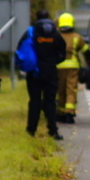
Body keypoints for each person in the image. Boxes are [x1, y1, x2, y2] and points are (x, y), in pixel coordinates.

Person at [19, 9, 67, 140]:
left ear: (36, 18)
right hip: (50, 72)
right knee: (50, 101)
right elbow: (62, 52)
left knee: (35, 101)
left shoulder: (31, 32)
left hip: (34, 71)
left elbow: (21, 50)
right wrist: (52, 62)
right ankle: (53, 131)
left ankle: (31, 130)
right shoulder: (55, 34)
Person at [56, 12, 89, 123]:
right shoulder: (76, 37)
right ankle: (69, 113)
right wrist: (89, 64)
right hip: (73, 68)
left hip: (58, 67)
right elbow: (86, 51)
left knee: (60, 90)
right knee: (71, 90)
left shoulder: (56, 36)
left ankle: (60, 113)